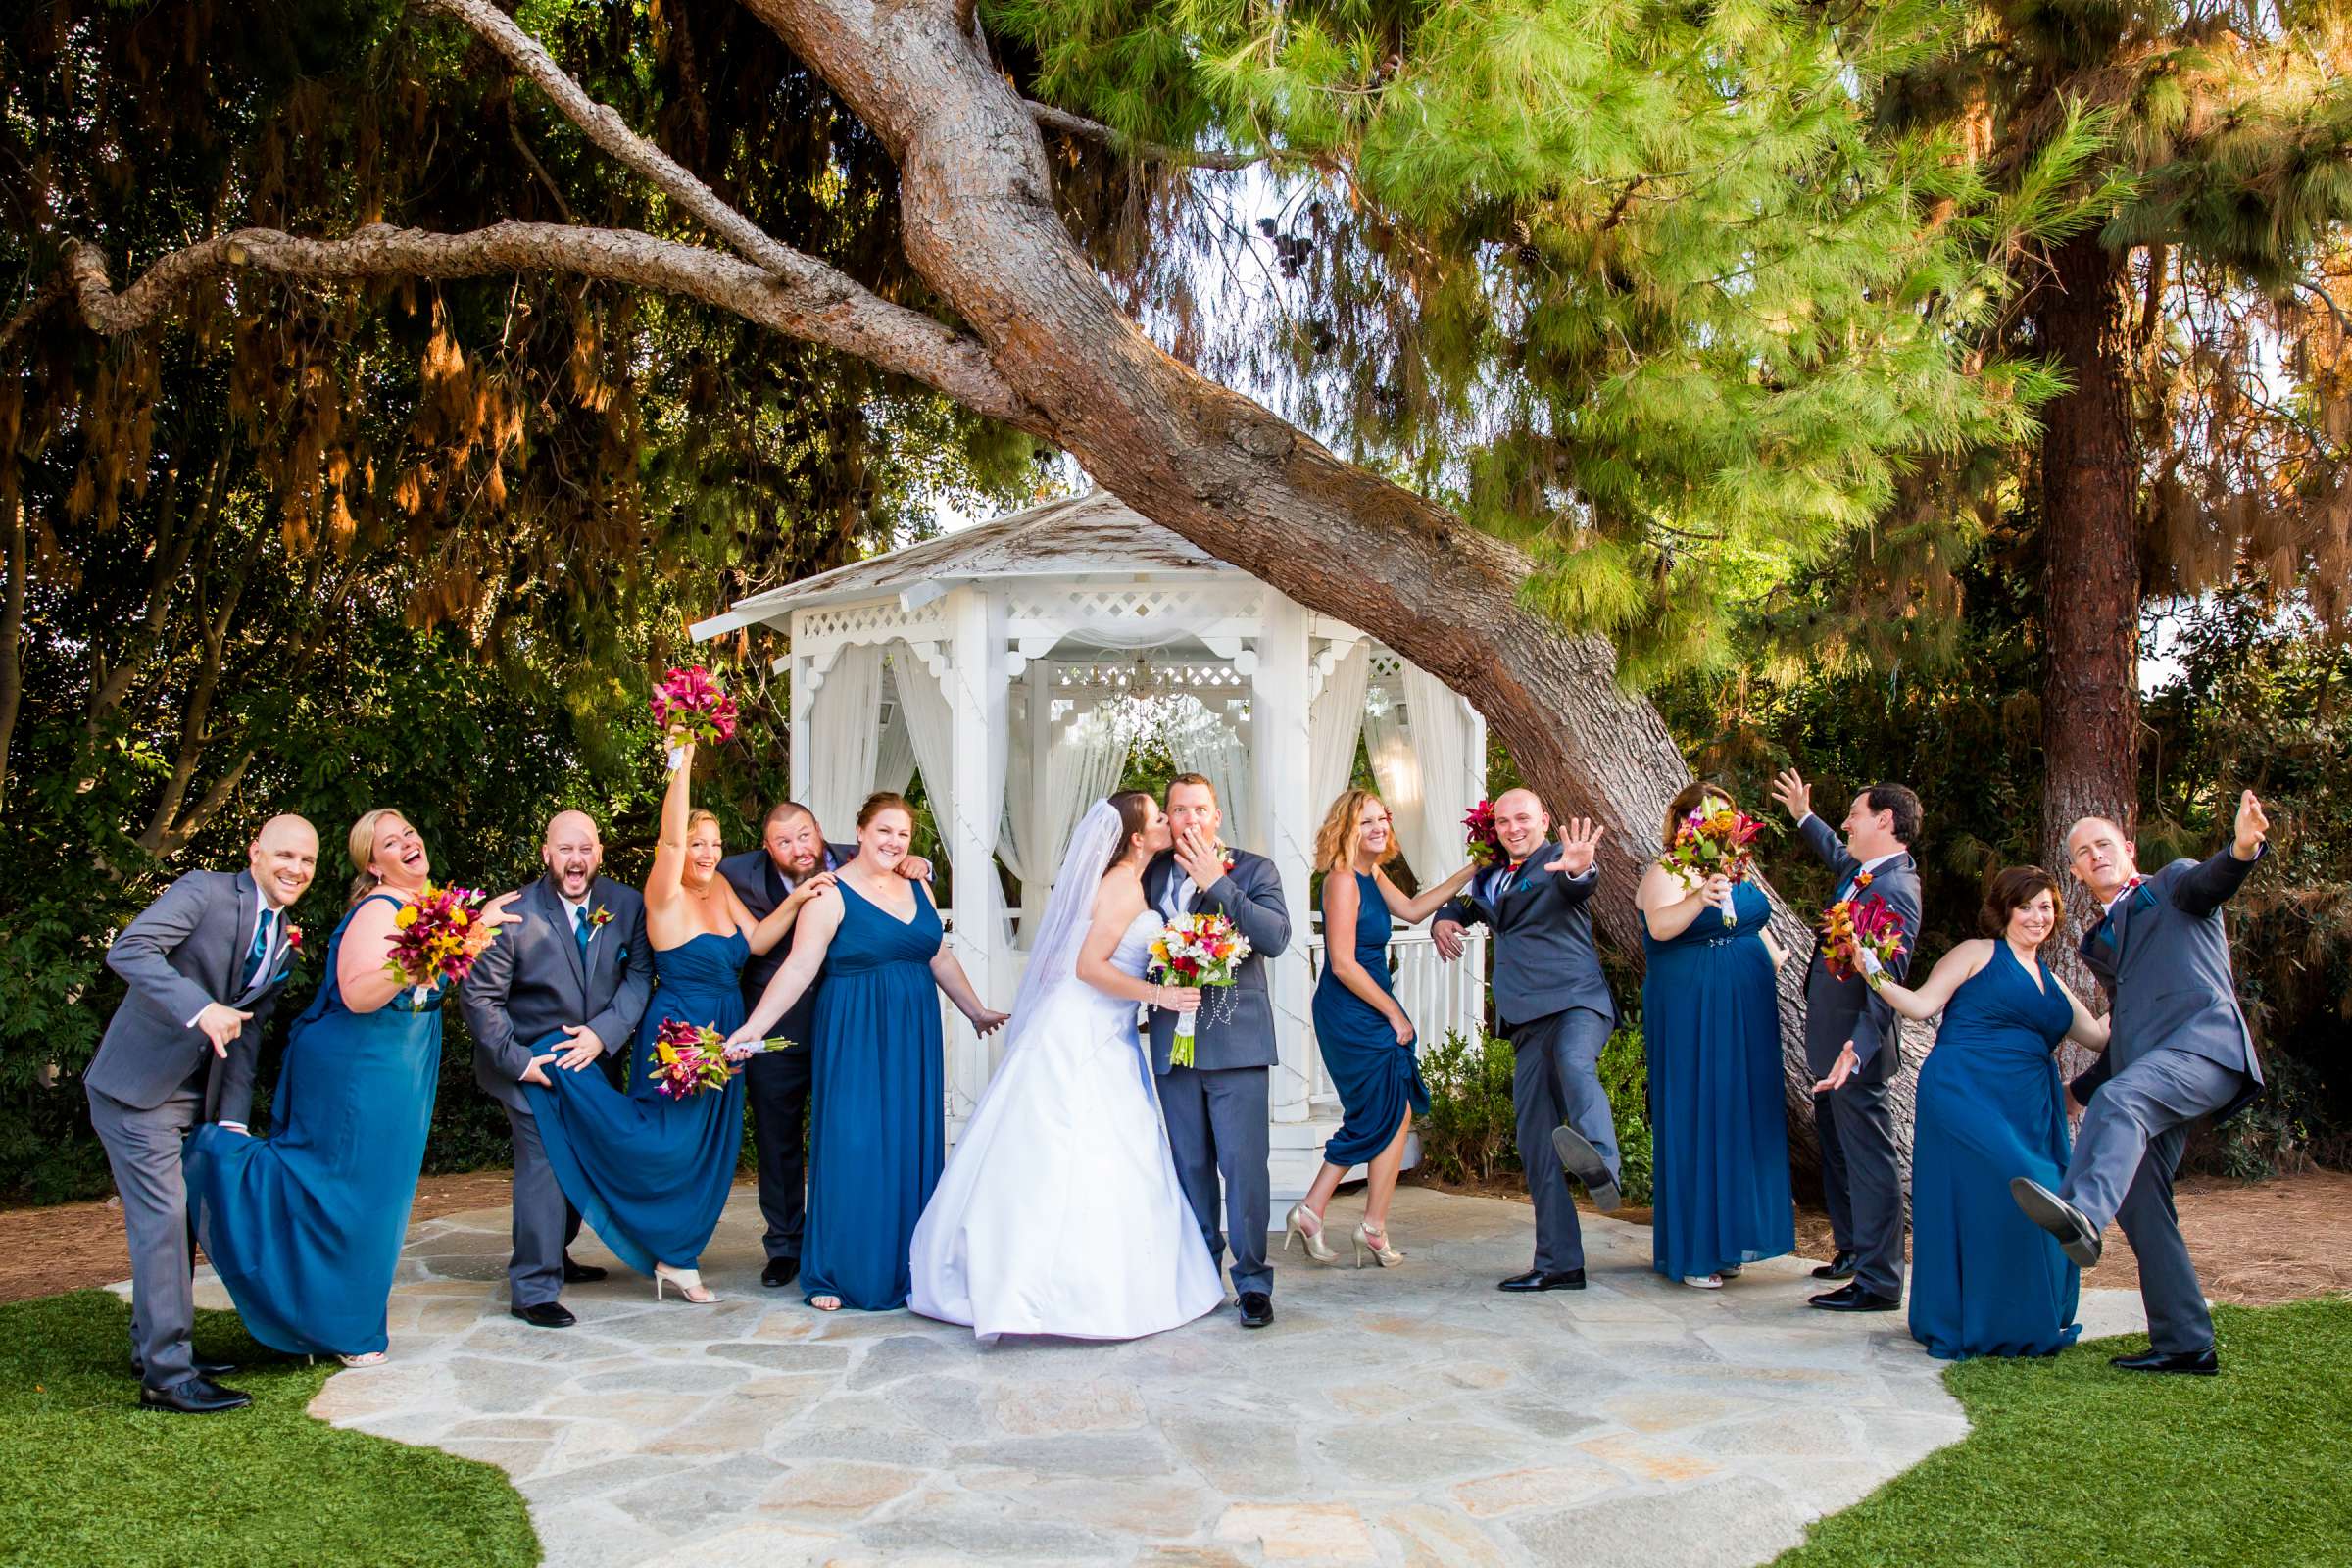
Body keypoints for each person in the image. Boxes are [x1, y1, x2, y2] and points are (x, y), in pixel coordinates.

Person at [185, 810, 520, 1367]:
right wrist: (438, 949)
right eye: (391, 842)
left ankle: (335, 1316)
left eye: (410, 833)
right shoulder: (380, 908)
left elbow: (437, 977)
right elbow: (359, 993)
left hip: (402, 1069)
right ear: (374, 862)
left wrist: (467, 934)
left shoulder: (431, 909)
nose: (408, 843)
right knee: (346, 1195)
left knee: (378, 1199)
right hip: (355, 1070)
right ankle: (216, 1163)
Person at [907, 793, 1225, 1339]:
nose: (1167, 826)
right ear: (1136, 837)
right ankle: (1057, 1291)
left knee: (1106, 1147)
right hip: (1084, 1030)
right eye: (1157, 819)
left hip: (1108, 1028)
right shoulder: (1122, 887)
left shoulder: (1135, 882)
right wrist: (1162, 994)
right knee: (1071, 1147)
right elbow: (1087, 967)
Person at [520, 739, 805, 1304]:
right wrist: (685, 758)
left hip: (727, 1030)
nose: (706, 852)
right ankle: (667, 1247)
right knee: (668, 1144)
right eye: (698, 843)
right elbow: (672, 838)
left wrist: (799, 902)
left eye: (716, 843)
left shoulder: (721, 887)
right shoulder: (664, 890)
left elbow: (759, 939)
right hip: (677, 1032)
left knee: (710, 1149)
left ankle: (677, 1257)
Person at [2011, 793, 2270, 1375]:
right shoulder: (2100, 941)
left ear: (2127, 850)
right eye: (2082, 852)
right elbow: (2128, 1025)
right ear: (2076, 873)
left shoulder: (2172, 885)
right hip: (2152, 1070)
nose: (2094, 855)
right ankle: (2185, 1343)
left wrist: (2243, 848)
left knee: (2123, 1099)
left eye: (2103, 844)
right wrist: (2075, 1093)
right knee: (2140, 1198)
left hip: (2205, 1051)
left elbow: (2213, 881)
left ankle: (2079, 1212)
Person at [727, 792, 1006, 1311]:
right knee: (854, 1143)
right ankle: (837, 1271)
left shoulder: (917, 883)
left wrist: (975, 1010)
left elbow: (937, 955)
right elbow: (798, 967)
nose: (893, 841)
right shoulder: (829, 894)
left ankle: (908, 1263)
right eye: (884, 831)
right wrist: (753, 1027)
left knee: (907, 1141)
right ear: (859, 832)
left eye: (902, 834)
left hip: (913, 1034)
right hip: (854, 1032)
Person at [86, 814, 318, 1413]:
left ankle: (153, 1347)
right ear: (256, 854)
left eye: (308, 861)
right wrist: (200, 1008)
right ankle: (167, 1376)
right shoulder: (204, 891)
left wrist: (232, 1121)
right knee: (163, 1221)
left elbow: (249, 1033)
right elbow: (129, 948)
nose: (296, 869)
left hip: (199, 1100)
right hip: (136, 1090)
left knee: (182, 1221)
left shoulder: (286, 937)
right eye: (285, 855)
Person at [1868, 865, 2109, 1359]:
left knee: (2045, 1189)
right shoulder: (1977, 954)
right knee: (2013, 1180)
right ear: (2005, 910)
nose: (2037, 917)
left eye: (2046, 907)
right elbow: (1918, 1006)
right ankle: (1970, 1318)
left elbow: (2100, 1037)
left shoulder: (2053, 981)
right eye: (2026, 906)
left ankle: (2020, 1317)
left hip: (2029, 1105)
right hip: (1964, 1090)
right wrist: (1869, 967)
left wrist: (2146, 989)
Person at [719, 803, 928, 1291]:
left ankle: (861, 1244)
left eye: (806, 834)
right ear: (765, 847)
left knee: (855, 1136)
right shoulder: (735, 874)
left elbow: (899, 866)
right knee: (778, 1141)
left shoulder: (865, 857)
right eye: (784, 841)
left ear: (823, 829)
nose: (800, 847)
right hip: (778, 1027)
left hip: (852, 1028)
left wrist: (923, 863)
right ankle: (786, 1246)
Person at [458, 810, 655, 1328]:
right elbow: (479, 996)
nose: (576, 859)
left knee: (584, 1160)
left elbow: (639, 976)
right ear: (547, 854)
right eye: (565, 849)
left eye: (585, 848)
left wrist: (604, 1034)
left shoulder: (626, 903)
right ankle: (533, 1287)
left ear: (599, 853)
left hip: (592, 1060)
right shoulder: (515, 913)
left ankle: (558, 1254)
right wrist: (520, 1064)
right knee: (544, 1164)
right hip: (531, 1064)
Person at [1433, 788, 1616, 1294]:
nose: (1514, 828)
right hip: (1525, 1019)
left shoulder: (1557, 860)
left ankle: (1602, 1161)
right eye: (1504, 821)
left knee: (1576, 1064)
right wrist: (1445, 915)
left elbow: (1579, 882)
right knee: (1535, 1139)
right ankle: (1560, 1263)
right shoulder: (1493, 876)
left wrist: (1580, 866)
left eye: (1523, 819)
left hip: (1576, 1003)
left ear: (1544, 820)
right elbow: (1470, 904)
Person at [1290, 789, 1475, 1268]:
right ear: (1345, 829)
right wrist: (1394, 1013)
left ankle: (1360, 1222)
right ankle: (1324, 1212)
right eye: (1365, 822)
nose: (1378, 828)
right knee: (1378, 1112)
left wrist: (1473, 869)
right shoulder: (1342, 882)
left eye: (1381, 819)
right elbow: (1344, 964)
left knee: (1395, 1110)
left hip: (1371, 1003)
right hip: (1351, 1008)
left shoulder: (1371, 873)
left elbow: (1415, 910)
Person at [1768, 769, 1923, 1313]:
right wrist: (1802, 818)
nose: (1846, 824)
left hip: (1855, 1051)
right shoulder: (1868, 873)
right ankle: (1855, 1252)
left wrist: (1856, 1048)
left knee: (1871, 1164)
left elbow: (1888, 981)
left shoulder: (1896, 888)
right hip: (1835, 1045)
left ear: (1884, 820)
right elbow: (1839, 857)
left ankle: (1879, 1283)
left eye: (1854, 815)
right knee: (1840, 1152)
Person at [1140, 774, 1293, 1329]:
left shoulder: (1254, 869)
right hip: (1172, 1045)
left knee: (1244, 1168)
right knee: (1191, 1167)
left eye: (1199, 809)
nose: (1189, 819)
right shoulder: (1150, 873)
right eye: (1178, 810)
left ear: (1218, 815)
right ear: (1168, 818)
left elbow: (1276, 939)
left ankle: (1252, 1280)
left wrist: (1218, 884)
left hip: (1236, 1043)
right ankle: (1200, 1273)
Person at [1637, 784, 1793, 1290]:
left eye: (1724, 817)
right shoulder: (1668, 871)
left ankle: (1727, 1240)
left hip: (1745, 1003)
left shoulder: (1736, 868)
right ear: (1681, 821)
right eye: (1703, 816)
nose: (1714, 825)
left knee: (1735, 1116)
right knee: (1697, 1113)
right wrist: (1699, 896)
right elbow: (1660, 927)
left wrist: (1769, 953)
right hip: (1692, 1006)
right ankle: (1695, 1251)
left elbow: (1748, 921)